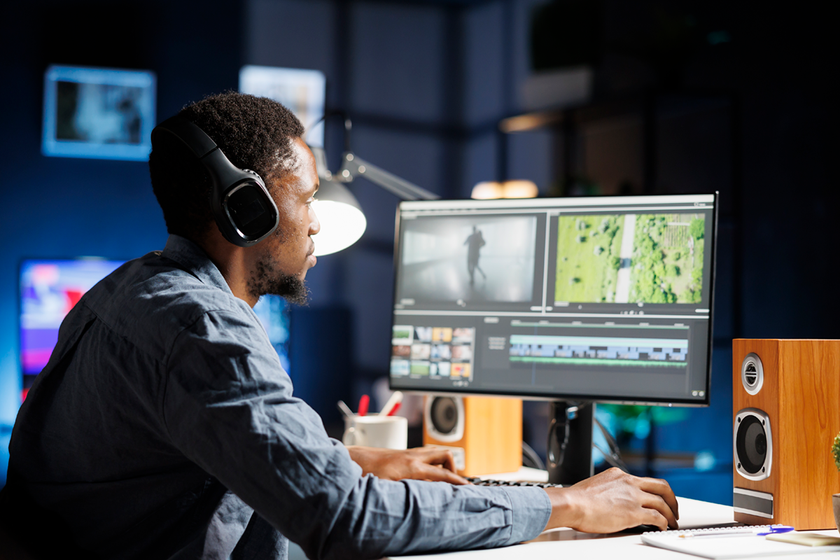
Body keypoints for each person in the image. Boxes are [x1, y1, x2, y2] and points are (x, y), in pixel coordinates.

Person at [0, 92, 678, 560]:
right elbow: (345, 521)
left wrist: (350, 459)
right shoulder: (204, 330)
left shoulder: (124, 293)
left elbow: (182, 456)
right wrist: (565, 506)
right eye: (307, 196)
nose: (318, 219)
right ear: (247, 210)